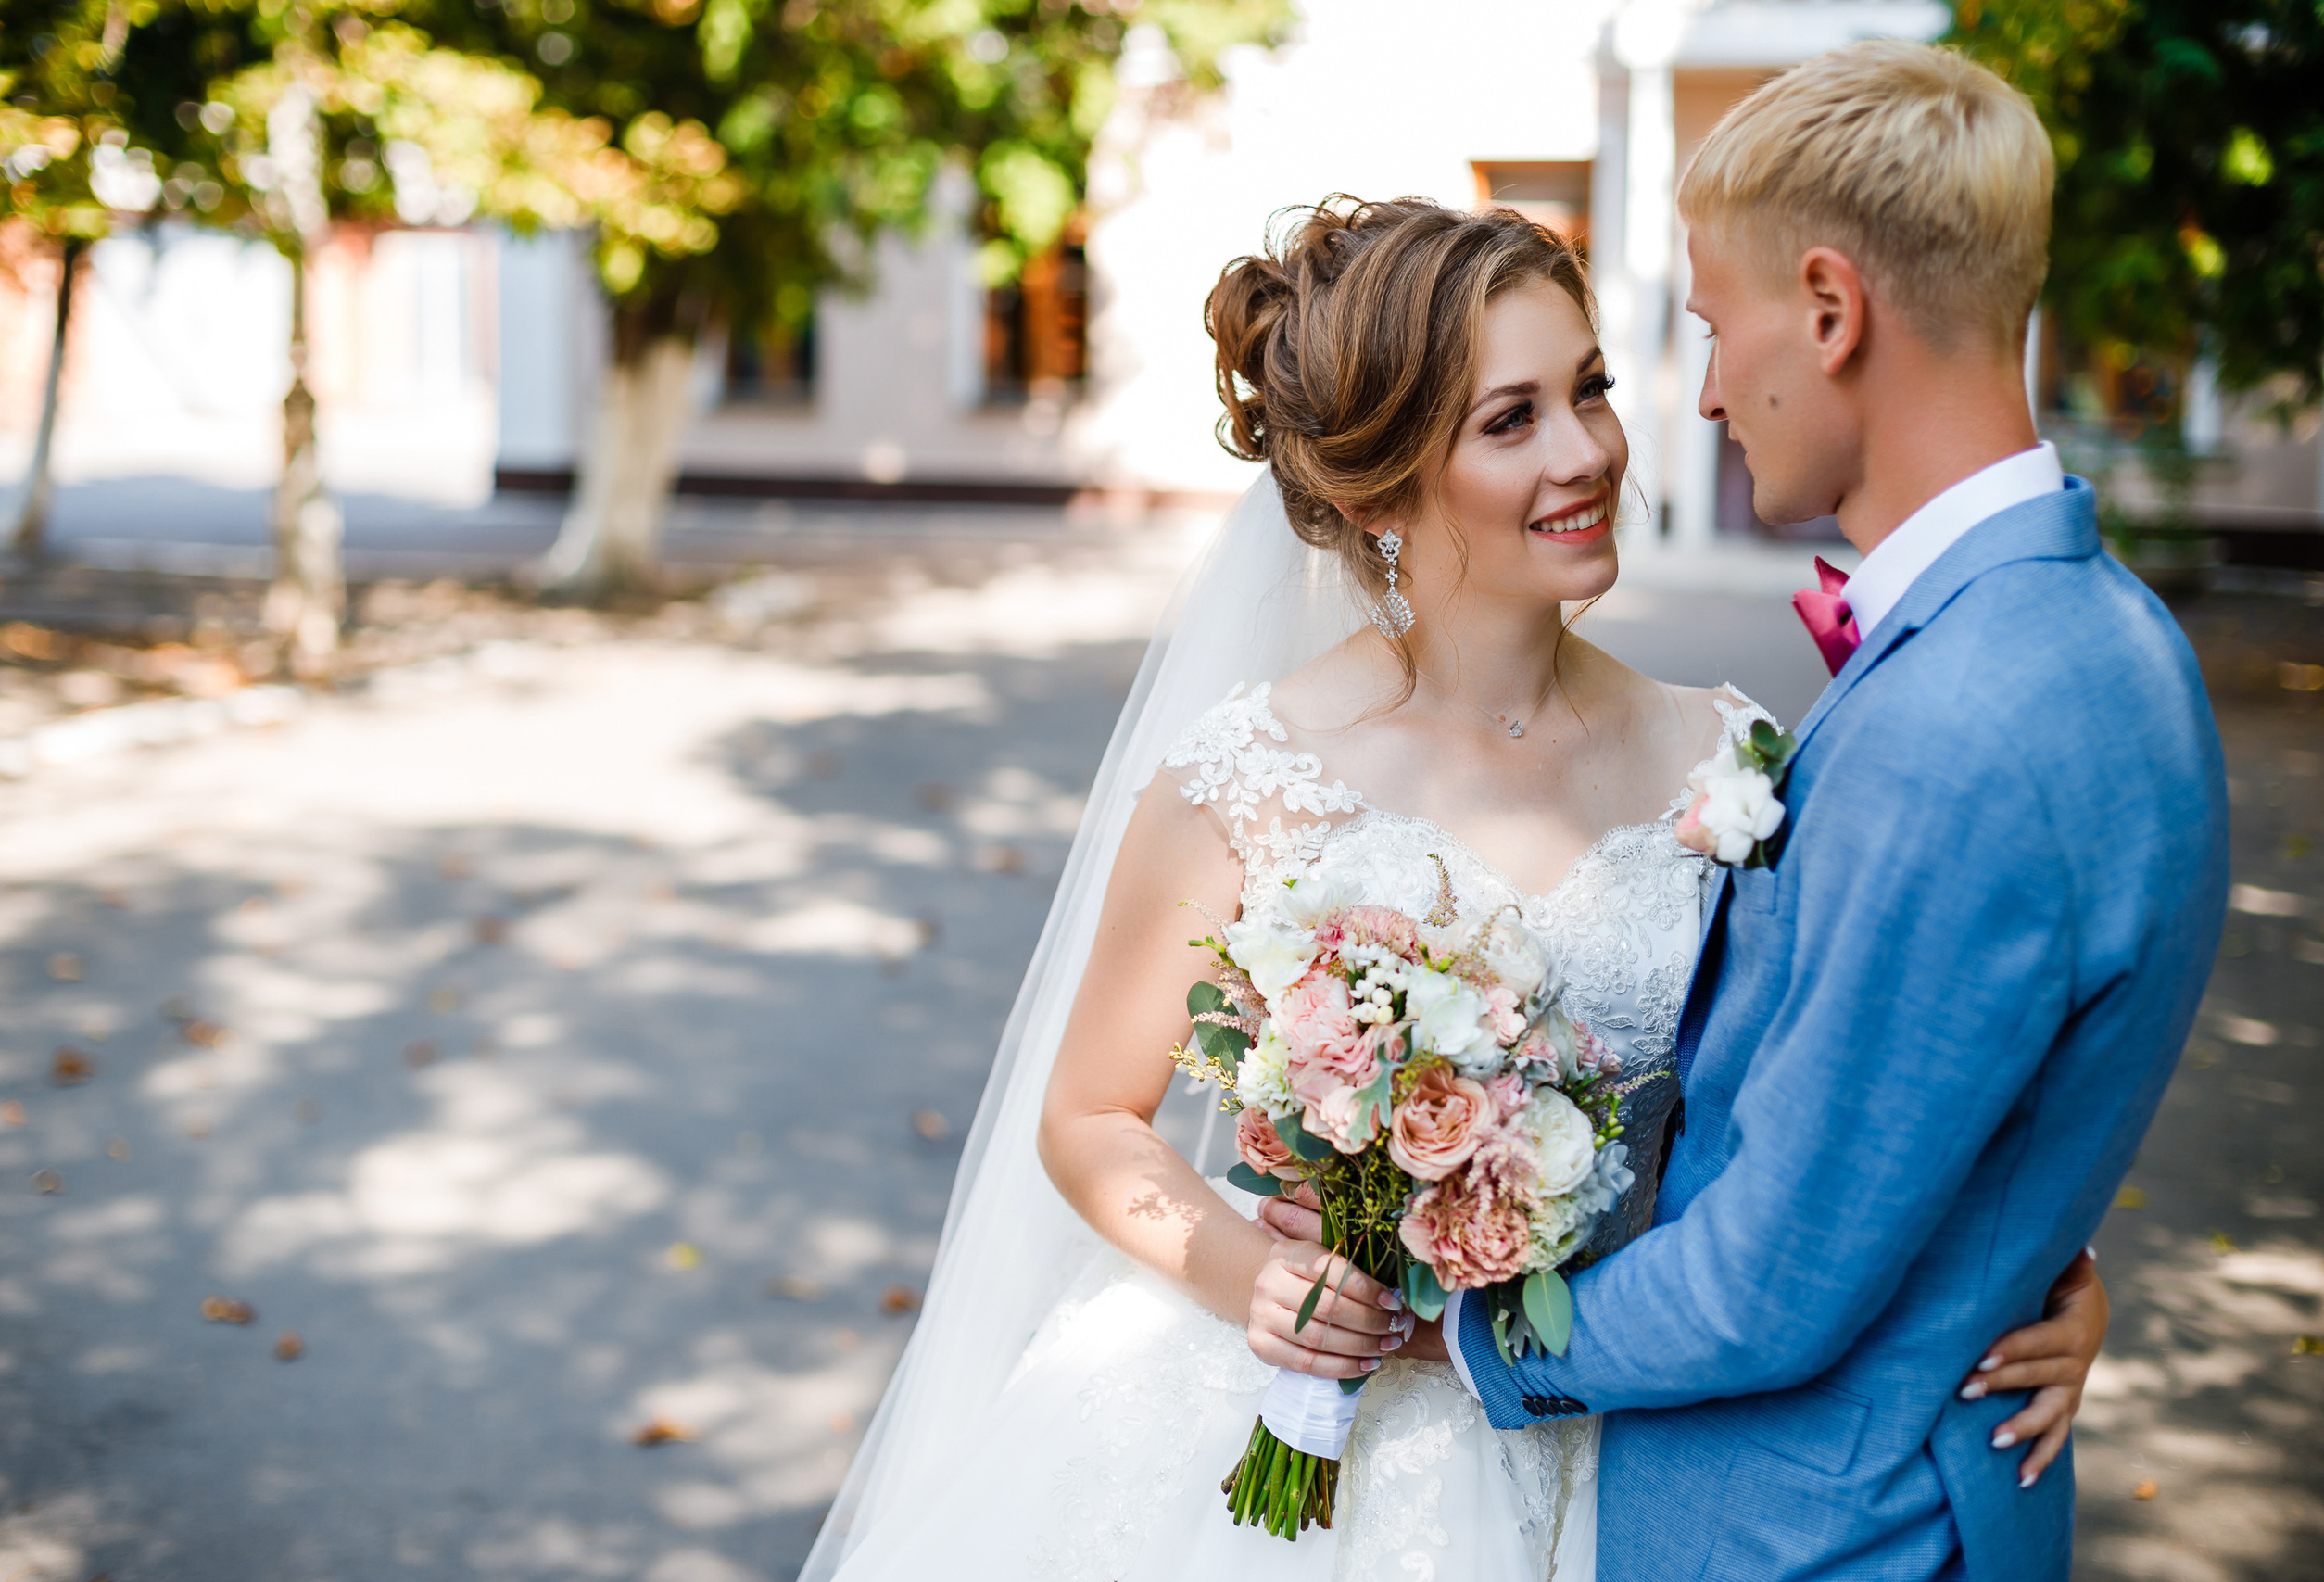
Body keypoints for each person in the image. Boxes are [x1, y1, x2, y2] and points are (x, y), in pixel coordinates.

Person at [798, 187, 2110, 1582]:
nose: (1588, 451)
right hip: (1286, 1435)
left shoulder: (1730, 761)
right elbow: (1088, 1116)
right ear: (1379, 491)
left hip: (1619, 1428)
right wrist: (1263, 1281)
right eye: (1512, 420)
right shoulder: (1247, 778)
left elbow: (1848, 1101)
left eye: (1589, 391)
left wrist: (2037, 1276)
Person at [1388, 40, 2229, 1582]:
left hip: (1815, 1532)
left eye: (1716, 326)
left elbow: (1768, 1279)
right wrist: (2029, 1245)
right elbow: (1960, 1092)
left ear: (1832, 312)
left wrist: (1463, 1334)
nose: (1700, 394)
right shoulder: (2115, 646)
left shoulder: (1963, 722)